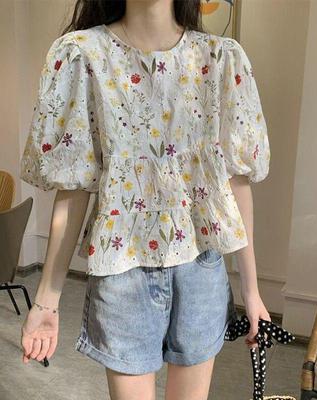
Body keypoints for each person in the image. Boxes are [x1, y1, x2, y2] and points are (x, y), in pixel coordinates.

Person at [19, 0, 271, 399]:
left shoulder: (220, 59)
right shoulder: (84, 55)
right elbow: (74, 186)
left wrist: (252, 292)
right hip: (123, 270)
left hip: (201, 267)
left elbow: (236, 183)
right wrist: (47, 303)